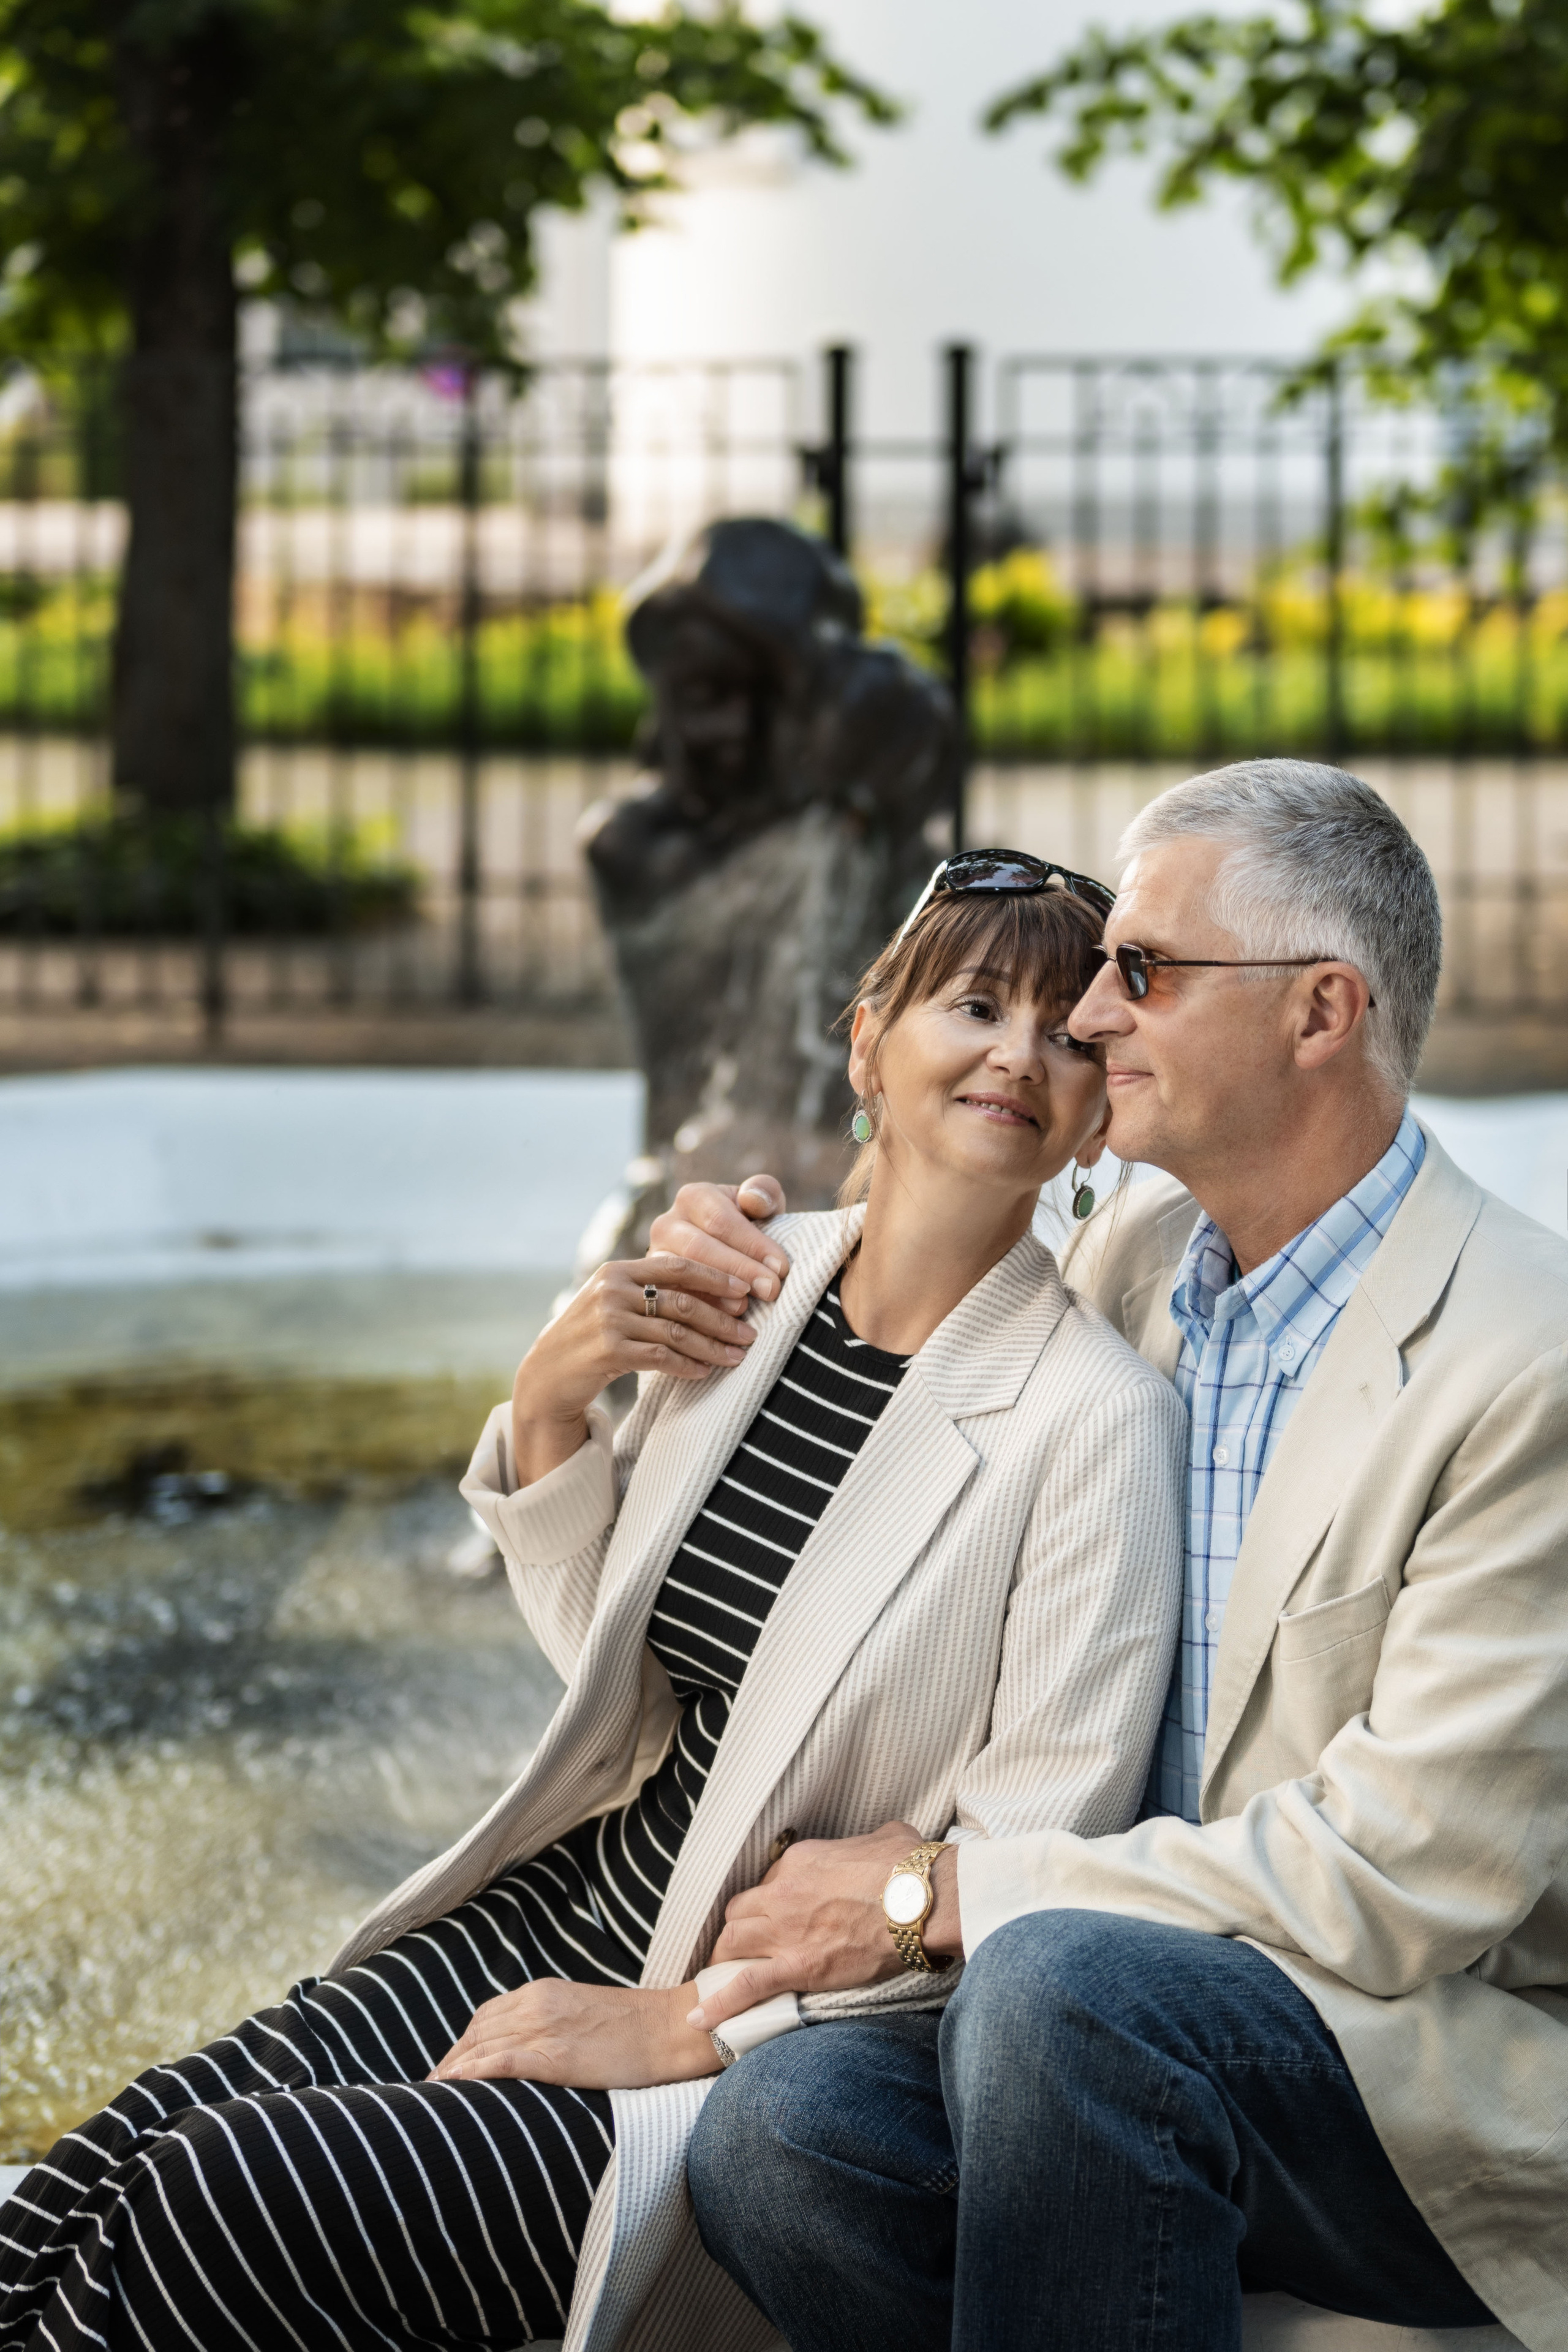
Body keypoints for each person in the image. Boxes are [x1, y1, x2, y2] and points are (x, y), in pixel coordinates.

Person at [0, 873, 1186, 2352]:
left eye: (1062, 1036)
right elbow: (618, 1672)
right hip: (553, 1910)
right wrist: (554, 1398)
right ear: (865, 1043)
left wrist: (688, 2027)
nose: (1016, 1053)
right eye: (971, 1004)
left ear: (1093, 1118)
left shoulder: (1094, 1423)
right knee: (97, 2170)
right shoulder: (749, 1289)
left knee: (214, 2197)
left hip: (726, 2037)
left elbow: (1027, 1866)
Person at [664, 760, 1568, 2352]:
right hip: (1089, 2004)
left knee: (1065, 1994)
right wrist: (738, 1283)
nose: (1085, 1018)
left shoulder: (1527, 1357)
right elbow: (913, 1392)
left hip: (1428, 2059)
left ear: (1318, 1013)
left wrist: (926, 1895)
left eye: (1140, 970)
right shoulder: (1137, 1257)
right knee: (786, 2128)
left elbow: (1404, 1881)